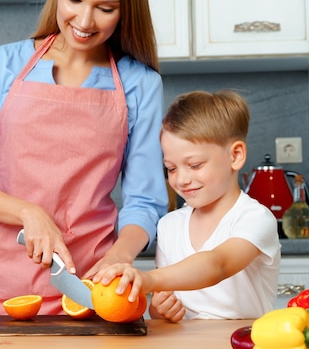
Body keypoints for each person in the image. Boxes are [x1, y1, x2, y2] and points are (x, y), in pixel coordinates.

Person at [0, 0, 167, 317]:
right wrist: (29, 213)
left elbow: (145, 202)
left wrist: (119, 257)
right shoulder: (3, 64)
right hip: (4, 288)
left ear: (125, 7)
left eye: (105, 8)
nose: (84, 21)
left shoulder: (140, 83)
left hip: (92, 289)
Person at [94, 90, 281, 322]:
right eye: (171, 169)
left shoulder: (254, 218)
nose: (181, 179)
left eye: (194, 165)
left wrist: (149, 279)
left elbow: (217, 264)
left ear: (235, 155)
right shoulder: (169, 225)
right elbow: (158, 307)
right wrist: (160, 309)